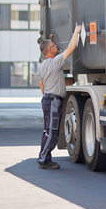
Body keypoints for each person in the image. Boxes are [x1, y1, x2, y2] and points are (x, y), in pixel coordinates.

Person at [37, 24, 82, 169]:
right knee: (53, 133)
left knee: (47, 130)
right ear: (50, 50)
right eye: (54, 45)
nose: (56, 46)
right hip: (53, 101)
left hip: (47, 99)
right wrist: (76, 32)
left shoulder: (42, 65)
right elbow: (71, 48)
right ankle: (43, 159)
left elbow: (42, 85)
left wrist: (48, 95)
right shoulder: (55, 62)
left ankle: (44, 158)